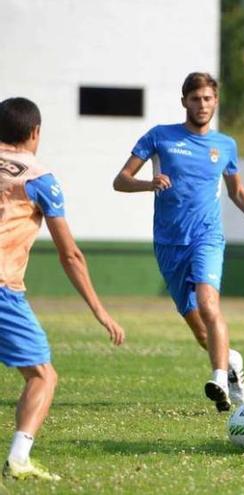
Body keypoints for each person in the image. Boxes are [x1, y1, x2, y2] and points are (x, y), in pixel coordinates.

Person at [113, 73, 244, 412]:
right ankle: (232, 363)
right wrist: (148, 184)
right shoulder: (160, 137)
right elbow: (120, 181)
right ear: (185, 101)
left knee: (210, 305)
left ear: (216, 102)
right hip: (169, 243)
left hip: (207, 237)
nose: (202, 105)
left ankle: (217, 377)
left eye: (208, 99)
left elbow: (237, 192)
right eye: (195, 99)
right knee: (201, 331)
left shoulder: (225, 145)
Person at [0, 97, 125, 481]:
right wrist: (99, 310)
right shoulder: (38, 178)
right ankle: (19, 459)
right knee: (43, 376)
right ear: (35, 133)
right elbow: (69, 255)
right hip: (3, 288)